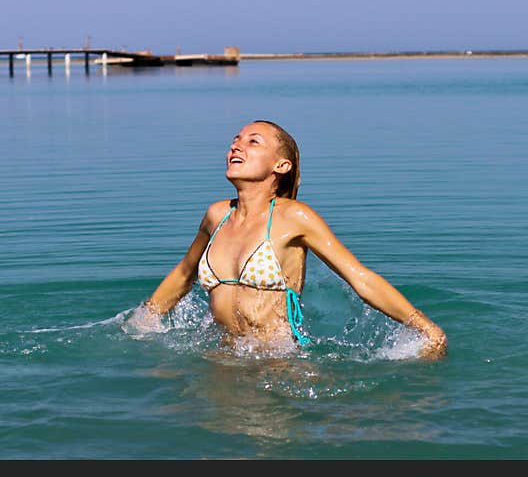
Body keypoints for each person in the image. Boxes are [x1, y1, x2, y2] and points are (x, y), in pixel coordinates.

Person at [132, 120, 447, 358]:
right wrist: (144, 319)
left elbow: (359, 277)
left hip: (280, 362)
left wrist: (424, 328)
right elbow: (184, 273)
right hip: (221, 357)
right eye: (234, 141)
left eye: (253, 142)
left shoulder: (293, 217)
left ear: (281, 166)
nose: (236, 148)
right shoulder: (218, 215)